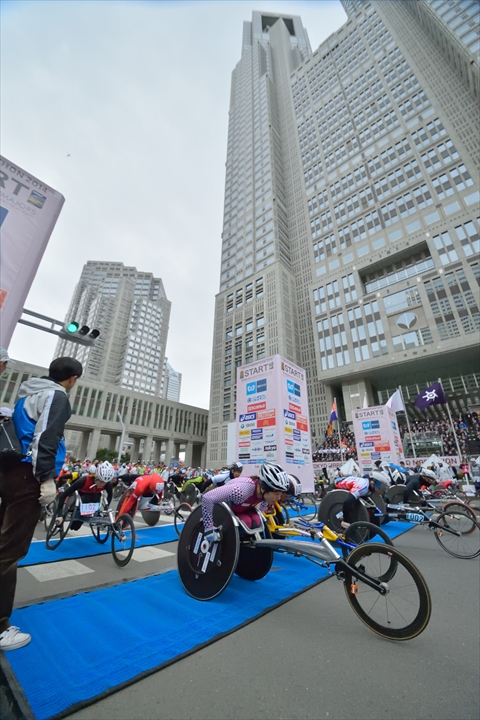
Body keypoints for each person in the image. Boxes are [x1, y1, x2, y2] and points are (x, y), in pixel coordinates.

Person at [0, 356, 82, 651]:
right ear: (72, 378)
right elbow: (46, 437)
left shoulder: (26, 395)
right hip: (28, 476)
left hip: (10, 474)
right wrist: (46, 478)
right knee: (10, 550)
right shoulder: (57, 395)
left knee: (3, 543)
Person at [201, 462, 290, 541]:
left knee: (257, 521)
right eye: (277, 493)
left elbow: (261, 509)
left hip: (240, 509)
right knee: (246, 521)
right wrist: (209, 528)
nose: (279, 498)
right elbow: (207, 498)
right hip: (223, 509)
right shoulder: (241, 490)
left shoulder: (264, 496)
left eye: (281, 493)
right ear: (264, 488)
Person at [56, 460, 115, 530]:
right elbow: (64, 495)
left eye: (105, 482)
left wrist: (106, 508)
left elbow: (110, 495)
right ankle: (75, 515)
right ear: (97, 477)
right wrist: (60, 515)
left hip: (94, 500)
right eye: (101, 481)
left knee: (96, 497)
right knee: (74, 526)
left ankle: (94, 514)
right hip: (82, 498)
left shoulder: (107, 484)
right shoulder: (84, 480)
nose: (102, 484)